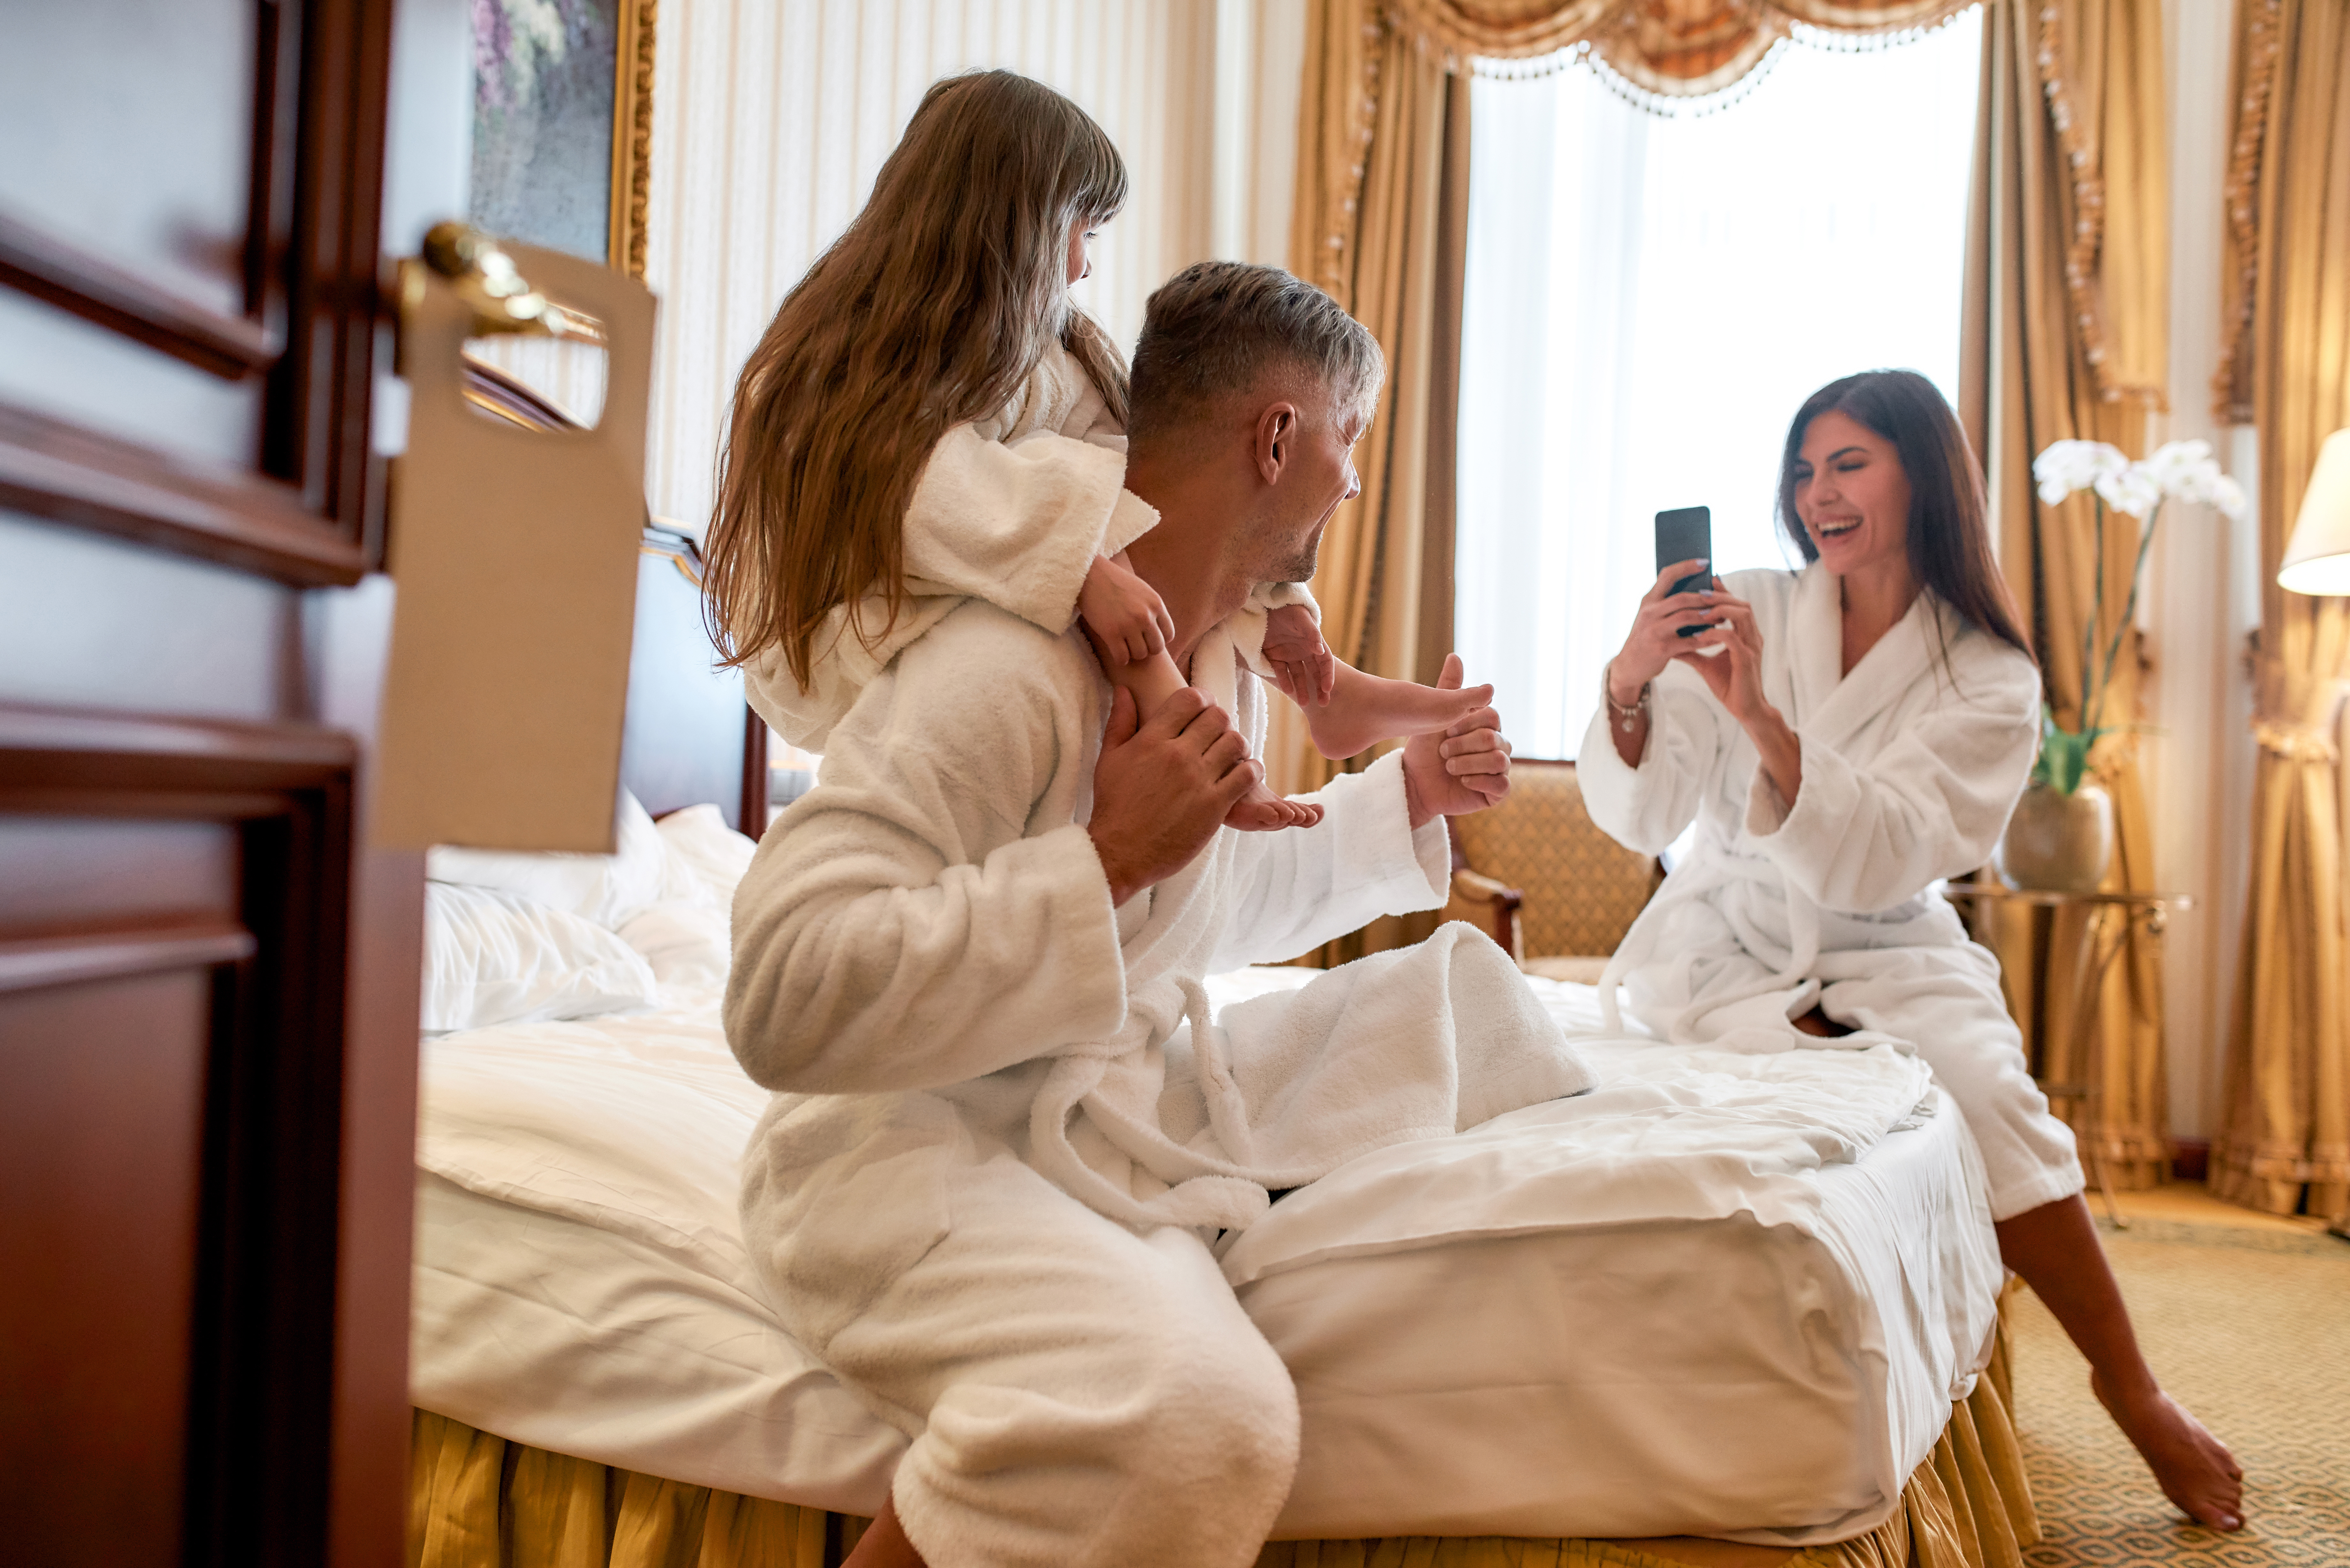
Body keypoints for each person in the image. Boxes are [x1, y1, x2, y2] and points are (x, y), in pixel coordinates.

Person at [711, 255, 1592, 1568]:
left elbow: (1198, 916)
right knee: (1200, 1421)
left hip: (1083, 1098)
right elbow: (780, 993)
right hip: (908, 1140)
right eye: (1347, 446)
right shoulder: (1002, 668)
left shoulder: (1204, 658)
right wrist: (1106, 859)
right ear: (1280, 437)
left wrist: (1399, 793)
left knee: (1470, 994)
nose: (1351, 486)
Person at [1582, 368, 2244, 1532]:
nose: (1818, 495)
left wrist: (1765, 722)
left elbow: (1888, 854)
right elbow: (1646, 812)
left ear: (1923, 477)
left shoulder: (1988, 676)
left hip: (1886, 942)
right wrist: (1634, 681)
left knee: (1988, 1093)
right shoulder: (1743, 603)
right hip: (1729, 942)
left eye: (1850, 465)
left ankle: (2131, 1386)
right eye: (1804, 469)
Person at [702, 69, 1489, 835]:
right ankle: (1200, 746)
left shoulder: (1052, 352)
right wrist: (1087, 568)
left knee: (1148, 481)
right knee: (1076, 483)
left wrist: (1281, 602)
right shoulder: (828, 373)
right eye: (1083, 230)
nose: (1084, 263)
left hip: (992, 568)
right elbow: (909, 486)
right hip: (844, 616)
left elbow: (1155, 482)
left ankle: (1322, 691)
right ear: (1014, 219)